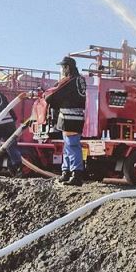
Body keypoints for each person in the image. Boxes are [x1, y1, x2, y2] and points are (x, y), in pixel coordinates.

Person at [44, 56, 87, 186]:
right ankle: (66, 172)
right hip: (76, 118)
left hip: (69, 118)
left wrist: (45, 96)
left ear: (67, 67)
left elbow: (52, 96)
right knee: (68, 146)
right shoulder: (81, 80)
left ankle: (76, 174)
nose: (62, 70)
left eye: (63, 67)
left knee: (72, 146)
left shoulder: (69, 80)